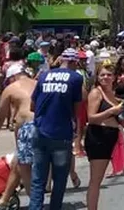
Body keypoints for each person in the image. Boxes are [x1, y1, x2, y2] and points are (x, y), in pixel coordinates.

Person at [29, 47, 84, 210]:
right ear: (74, 62)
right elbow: (77, 109)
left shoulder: (44, 75)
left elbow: (32, 106)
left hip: (40, 130)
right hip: (61, 133)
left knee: (38, 178)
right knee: (59, 179)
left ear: (61, 60)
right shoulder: (76, 78)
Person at [0, 63, 42, 210]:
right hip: (44, 125)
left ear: (12, 77)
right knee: (18, 163)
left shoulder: (11, 88)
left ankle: (35, 203)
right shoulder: (39, 83)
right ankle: (4, 200)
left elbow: (0, 118)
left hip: (27, 129)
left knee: (24, 167)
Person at [85, 64, 124, 210]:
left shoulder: (111, 94)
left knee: (99, 179)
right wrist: (112, 111)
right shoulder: (96, 93)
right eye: (102, 75)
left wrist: (122, 119)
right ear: (97, 77)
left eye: (109, 74)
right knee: (96, 180)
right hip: (98, 137)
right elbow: (91, 118)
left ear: (114, 77)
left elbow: (114, 116)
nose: (106, 77)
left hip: (110, 137)